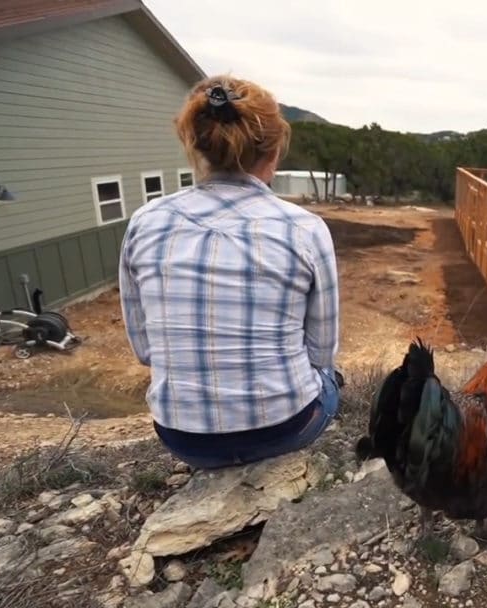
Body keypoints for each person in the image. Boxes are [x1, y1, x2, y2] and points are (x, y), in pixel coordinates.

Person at [118, 75, 342, 469]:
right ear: (274, 151)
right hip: (286, 426)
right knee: (330, 382)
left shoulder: (145, 221)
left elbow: (145, 350)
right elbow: (322, 352)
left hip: (182, 437)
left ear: (197, 147)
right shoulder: (304, 228)